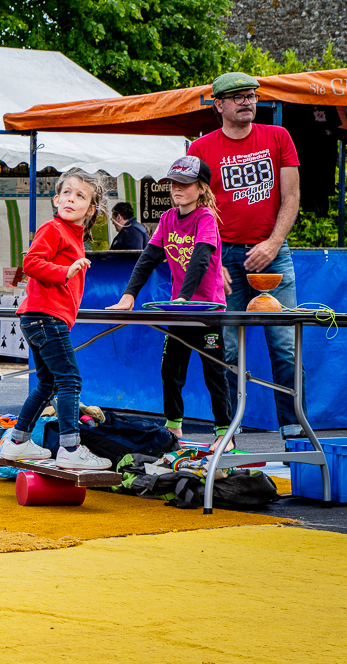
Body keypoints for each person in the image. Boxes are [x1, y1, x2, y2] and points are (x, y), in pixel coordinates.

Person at [188, 71, 305, 442]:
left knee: (286, 344)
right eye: (237, 96)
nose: (247, 102)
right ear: (218, 105)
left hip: (273, 253)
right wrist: (213, 260)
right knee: (226, 347)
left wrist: (272, 243)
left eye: (251, 95)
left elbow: (292, 197)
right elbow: (195, 209)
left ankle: (294, 430)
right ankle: (231, 432)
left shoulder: (278, 136)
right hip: (222, 258)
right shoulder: (200, 149)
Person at [107, 157, 233, 447]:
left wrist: (184, 298)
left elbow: (200, 259)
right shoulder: (166, 218)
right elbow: (148, 258)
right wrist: (128, 296)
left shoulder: (206, 218)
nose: (177, 188)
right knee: (171, 367)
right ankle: (174, 427)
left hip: (206, 311)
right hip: (179, 312)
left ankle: (224, 433)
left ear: (201, 188)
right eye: (174, 183)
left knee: (213, 370)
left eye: (185, 184)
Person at [0, 169, 112, 470]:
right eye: (66, 193)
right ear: (55, 198)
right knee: (70, 379)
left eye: (80, 196)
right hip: (45, 317)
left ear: (91, 210)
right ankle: (70, 448)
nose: (71, 199)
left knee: (48, 381)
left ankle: (17, 442)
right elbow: (31, 262)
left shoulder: (72, 236)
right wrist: (65, 272)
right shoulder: (54, 229)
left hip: (41, 317)